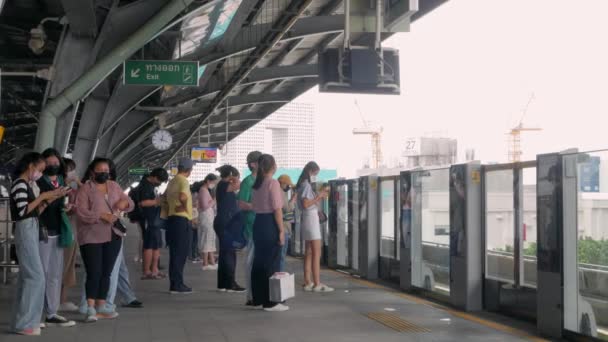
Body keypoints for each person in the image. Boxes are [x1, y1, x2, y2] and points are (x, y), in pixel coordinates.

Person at [10, 152, 67, 336]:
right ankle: (25, 322)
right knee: (36, 277)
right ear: (30, 166)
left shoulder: (27, 184)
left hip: (31, 228)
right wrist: (43, 197)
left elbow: (34, 212)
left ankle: (23, 321)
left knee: (28, 278)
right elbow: (22, 211)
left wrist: (50, 198)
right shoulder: (19, 184)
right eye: (40, 169)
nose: (41, 173)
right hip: (25, 230)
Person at [76, 158, 134, 322]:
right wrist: (101, 215)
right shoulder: (85, 189)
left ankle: (102, 305)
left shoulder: (114, 186)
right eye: (100, 170)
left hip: (113, 235)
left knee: (106, 273)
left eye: (106, 170)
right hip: (91, 236)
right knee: (94, 272)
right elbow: (81, 212)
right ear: (92, 172)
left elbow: (130, 202)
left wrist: (125, 203)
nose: (103, 173)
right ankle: (90, 307)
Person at [37, 148, 77, 327]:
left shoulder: (61, 180)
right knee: (40, 274)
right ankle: (36, 313)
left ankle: (52, 312)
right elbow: (35, 206)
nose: (53, 166)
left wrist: (66, 207)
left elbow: (62, 203)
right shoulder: (38, 181)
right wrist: (54, 196)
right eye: (49, 163)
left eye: (56, 163)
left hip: (58, 231)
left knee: (55, 274)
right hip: (42, 231)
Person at [251, 154, 288, 311]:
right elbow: (277, 209)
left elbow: (253, 206)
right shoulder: (272, 183)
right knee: (271, 263)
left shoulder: (256, 184)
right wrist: (281, 230)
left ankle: (258, 298)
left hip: (258, 223)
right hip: (269, 223)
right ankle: (270, 302)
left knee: (259, 262)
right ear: (273, 166)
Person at [297, 162, 334, 293]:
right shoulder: (306, 185)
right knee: (316, 253)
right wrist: (320, 196)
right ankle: (317, 283)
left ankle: (308, 282)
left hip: (306, 219)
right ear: (311, 172)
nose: (315, 177)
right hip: (311, 219)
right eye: (315, 174)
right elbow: (306, 203)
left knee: (308, 252)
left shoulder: (301, 185)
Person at [165, 158, 194, 294]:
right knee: (181, 253)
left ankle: (175, 283)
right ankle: (178, 285)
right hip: (181, 220)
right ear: (188, 170)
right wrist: (183, 207)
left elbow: (164, 198)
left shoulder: (172, 181)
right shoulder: (183, 181)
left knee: (175, 253)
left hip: (172, 219)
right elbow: (183, 196)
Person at [214, 165, 245, 292]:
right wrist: (234, 177)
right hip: (226, 223)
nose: (237, 179)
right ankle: (230, 283)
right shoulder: (222, 185)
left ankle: (223, 283)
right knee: (229, 253)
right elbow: (239, 185)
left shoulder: (224, 186)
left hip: (225, 222)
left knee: (225, 253)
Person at [136, 168, 169, 279]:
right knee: (149, 246)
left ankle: (155, 270)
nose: (159, 183)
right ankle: (147, 271)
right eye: (159, 181)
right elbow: (143, 203)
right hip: (148, 219)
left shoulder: (151, 186)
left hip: (154, 220)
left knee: (156, 246)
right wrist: (157, 201)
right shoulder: (145, 185)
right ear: (154, 177)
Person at [239, 151, 262, 306]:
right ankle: (251, 296)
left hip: (262, 227)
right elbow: (241, 204)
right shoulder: (248, 182)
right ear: (253, 164)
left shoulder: (264, 180)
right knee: (251, 262)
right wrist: (258, 206)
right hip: (251, 227)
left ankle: (258, 293)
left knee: (259, 263)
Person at [59, 158, 81, 312]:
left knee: (67, 267)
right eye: (70, 170)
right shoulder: (57, 188)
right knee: (61, 267)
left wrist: (78, 183)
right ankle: (58, 300)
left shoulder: (70, 190)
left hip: (69, 231)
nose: (72, 173)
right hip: (61, 232)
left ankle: (63, 299)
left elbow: (86, 196)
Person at [197, 174, 218, 270]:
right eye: (213, 182)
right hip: (206, 218)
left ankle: (212, 262)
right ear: (208, 181)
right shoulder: (203, 190)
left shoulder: (204, 190)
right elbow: (205, 206)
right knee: (206, 238)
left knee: (209, 238)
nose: (213, 184)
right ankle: (205, 263)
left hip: (208, 217)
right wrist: (214, 200)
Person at [278, 175, 297, 272]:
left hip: (283, 226)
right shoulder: (280, 193)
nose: (288, 187)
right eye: (287, 185)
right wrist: (293, 200)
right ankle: (280, 275)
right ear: (283, 183)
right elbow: (287, 209)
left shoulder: (279, 192)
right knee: (281, 256)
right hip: (284, 228)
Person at [190, 182, 201, 263]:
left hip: (193, 218)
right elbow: (194, 206)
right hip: (194, 218)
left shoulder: (192, 194)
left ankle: (194, 254)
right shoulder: (196, 195)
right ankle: (193, 255)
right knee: (194, 239)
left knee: (194, 239)